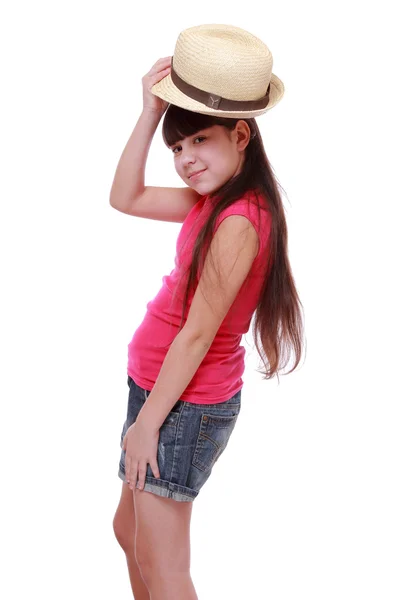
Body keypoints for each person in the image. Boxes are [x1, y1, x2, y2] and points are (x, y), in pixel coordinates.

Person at [109, 24, 305, 600]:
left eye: (200, 140)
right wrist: (150, 114)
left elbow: (197, 335)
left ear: (240, 134)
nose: (186, 159)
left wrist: (147, 426)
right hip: (156, 390)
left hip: (182, 405)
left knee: (164, 565)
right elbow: (127, 197)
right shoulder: (215, 202)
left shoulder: (241, 220)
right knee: (128, 532)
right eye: (178, 147)